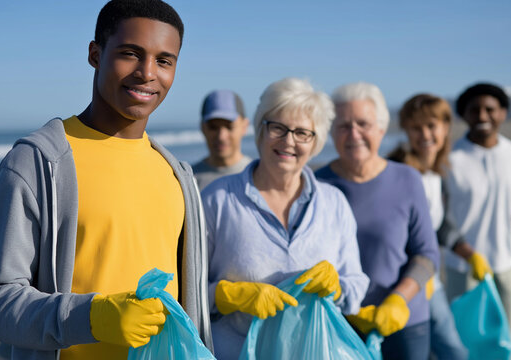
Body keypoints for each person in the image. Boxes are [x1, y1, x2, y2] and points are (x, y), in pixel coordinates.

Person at [0, 1, 212, 359]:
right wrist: (92, 317)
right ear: (95, 54)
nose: (147, 73)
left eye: (164, 60)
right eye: (130, 54)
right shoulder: (38, 162)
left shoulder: (178, 176)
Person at [202, 78, 369, 360]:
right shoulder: (217, 199)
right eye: (278, 127)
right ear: (260, 130)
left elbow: (357, 286)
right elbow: (186, 291)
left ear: (315, 143)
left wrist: (337, 286)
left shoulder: (334, 203)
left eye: (303, 132)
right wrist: (227, 295)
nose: (289, 141)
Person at [315, 82, 440, 360]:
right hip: (339, 321)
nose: (354, 134)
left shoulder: (407, 179)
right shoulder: (316, 184)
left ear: (382, 129)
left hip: (404, 321)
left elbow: (427, 254)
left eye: (363, 124)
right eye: (344, 125)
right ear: (331, 133)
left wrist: (398, 299)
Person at [389, 93, 495, 359]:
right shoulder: (396, 171)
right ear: (406, 130)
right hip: (401, 287)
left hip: (430, 282)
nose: (424, 134)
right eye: (416, 127)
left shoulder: (438, 172)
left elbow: (440, 228)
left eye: (431, 125)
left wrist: (471, 255)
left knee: (451, 350)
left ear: (446, 127)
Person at [444, 83, 511, 355]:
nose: (482, 116)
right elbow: (439, 216)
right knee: (465, 342)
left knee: (507, 340)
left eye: (490, 109)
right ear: (464, 115)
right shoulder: (450, 159)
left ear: (503, 112)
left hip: (505, 261)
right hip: (463, 266)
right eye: (474, 110)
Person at [192, 90, 252, 189]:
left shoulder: (259, 176)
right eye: (213, 127)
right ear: (202, 127)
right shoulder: (188, 180)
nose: (221, 136)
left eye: (229, 127)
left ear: (244, 126)